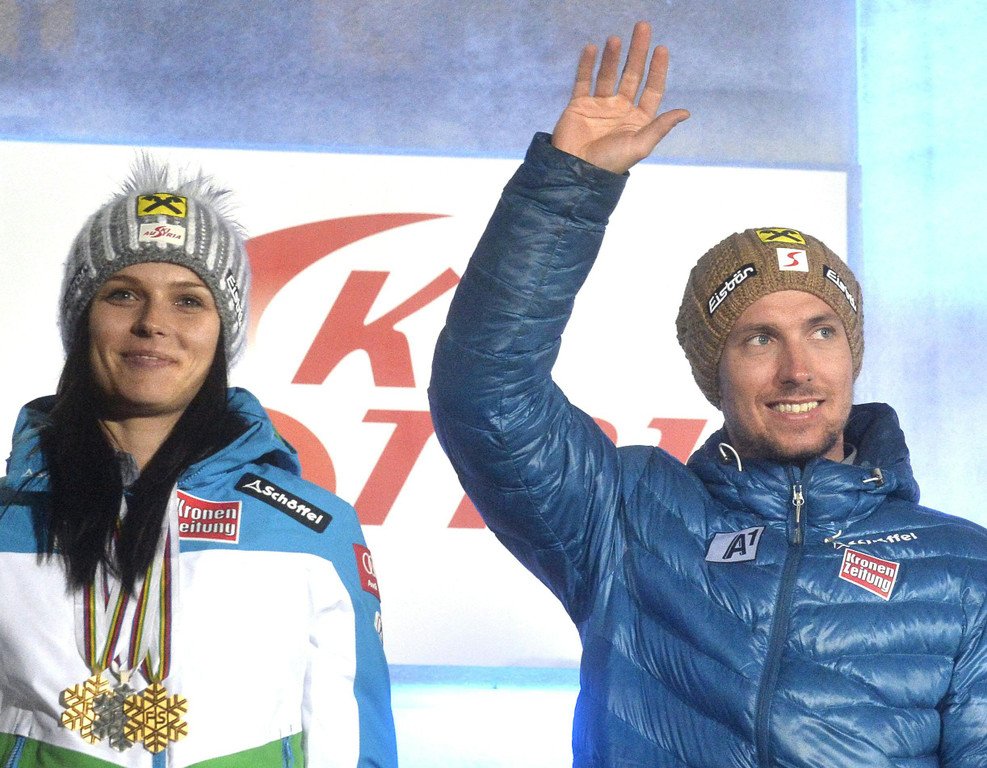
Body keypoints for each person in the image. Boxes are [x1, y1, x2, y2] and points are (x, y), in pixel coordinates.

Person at [428, 21, 987, 767]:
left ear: (852, 355)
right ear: (710, 371)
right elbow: (484, 393)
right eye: (758, 339)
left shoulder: (961, 566)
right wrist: (568, 188)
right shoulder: (628, 517)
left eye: (822, 332)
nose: (797, 370)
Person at [0, 159, 398, 767]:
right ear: (82, 321)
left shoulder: (313, 531)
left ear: (222, 333)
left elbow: (355, 744)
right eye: (122, 294)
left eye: (189, 301)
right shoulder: (9, 522)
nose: (153, 323)